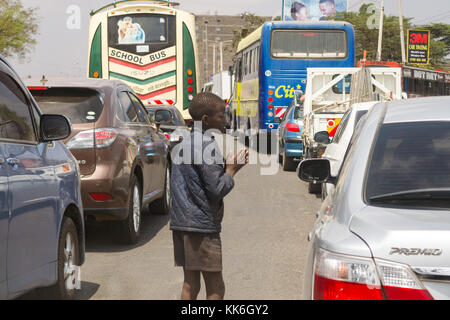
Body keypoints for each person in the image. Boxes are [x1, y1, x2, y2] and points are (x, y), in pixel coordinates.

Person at [170, 92, 249, 300]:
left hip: (180, 224)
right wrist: (232, 169)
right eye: (221, 116)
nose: (225, 120)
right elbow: (217, 189)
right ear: (206, 120)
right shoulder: (207, 146)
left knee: (190, 284)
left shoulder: (183, 143)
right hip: (201, 226)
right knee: (215, 286)